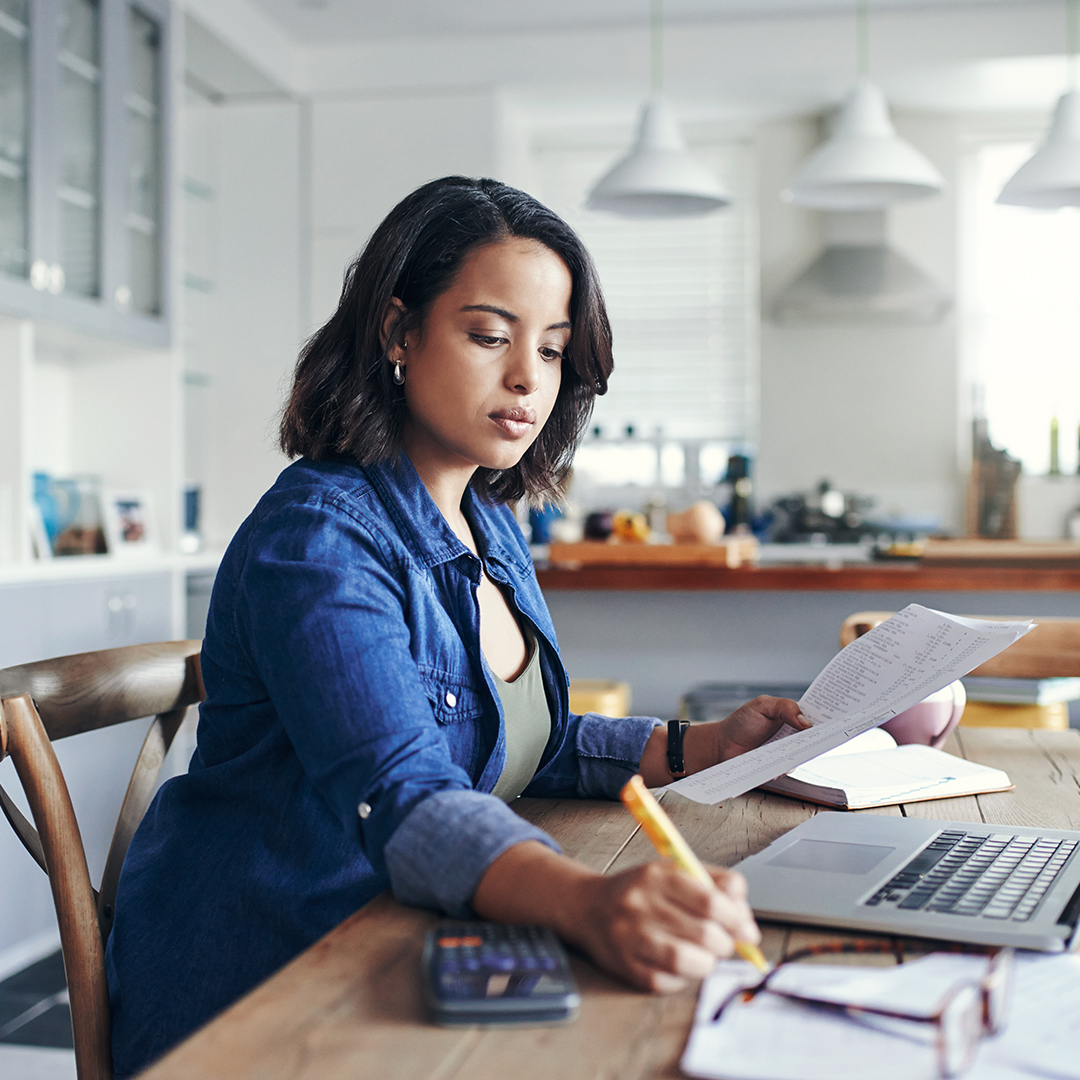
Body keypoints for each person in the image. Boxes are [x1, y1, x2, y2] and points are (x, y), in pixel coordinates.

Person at [105, 176, 808, 1076]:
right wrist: (590, 904)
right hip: (270, 980)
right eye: (489, 336)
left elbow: (518, 743)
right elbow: (405, 789)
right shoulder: (318, 540)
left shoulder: (491, 524)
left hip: (402, 940)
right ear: (399, 331)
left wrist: (700, 745)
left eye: (552, 352)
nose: (527, 378)